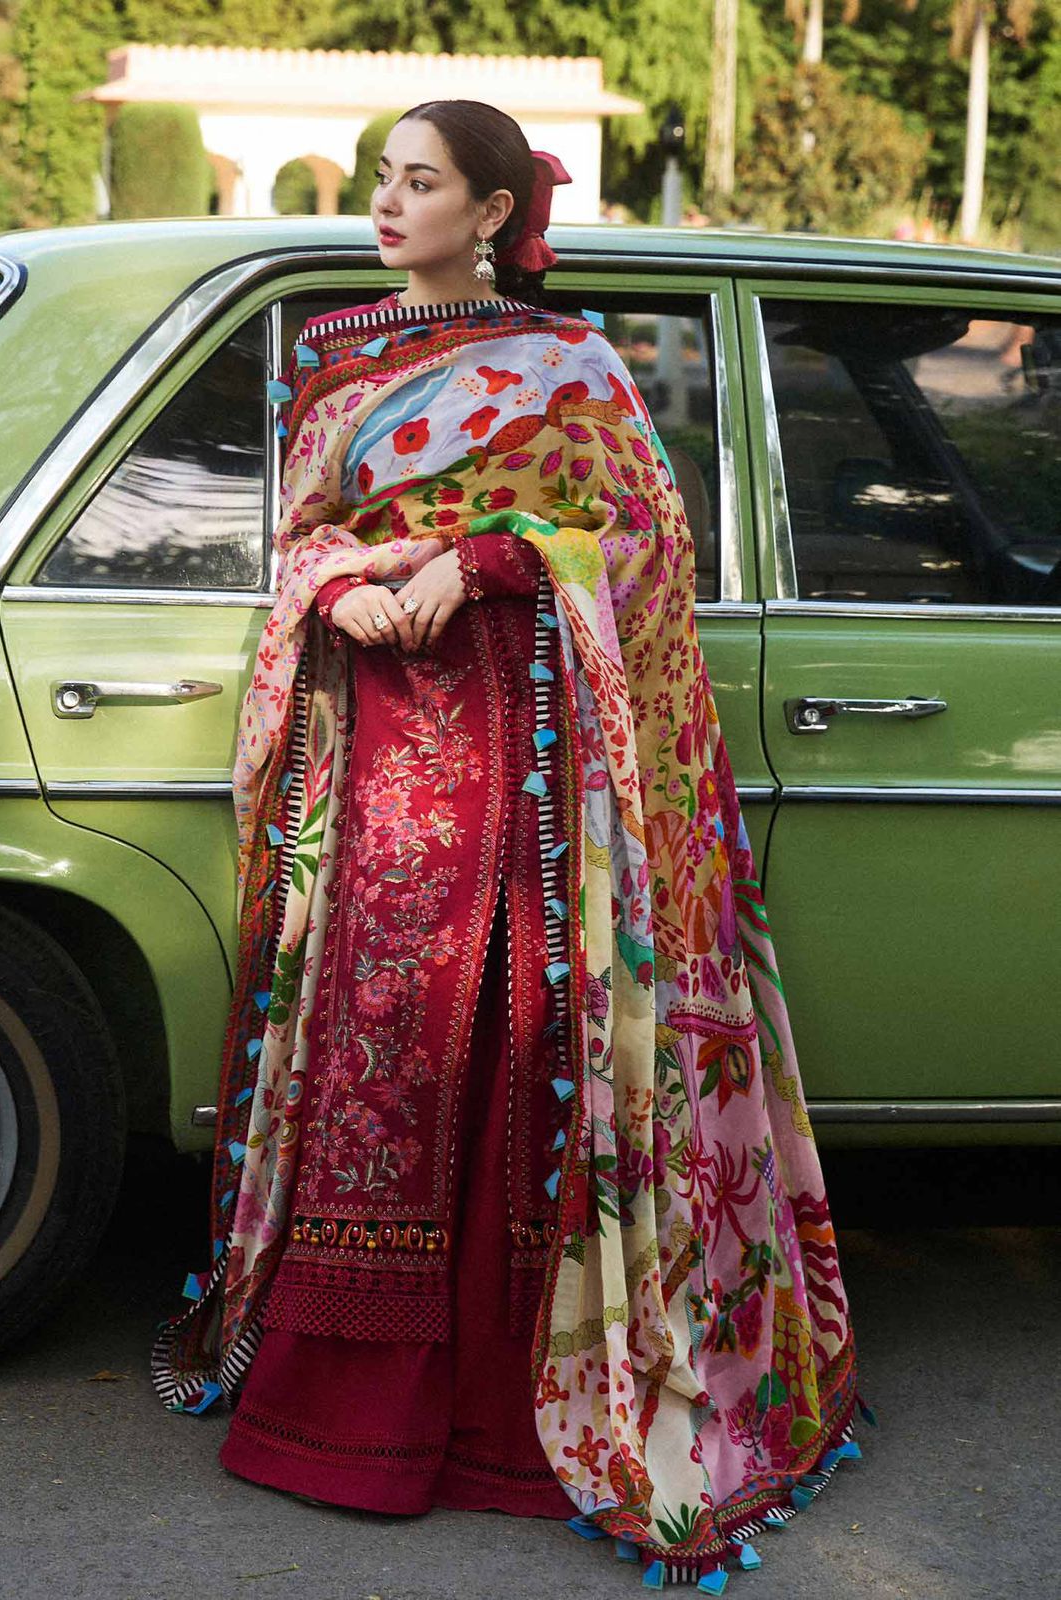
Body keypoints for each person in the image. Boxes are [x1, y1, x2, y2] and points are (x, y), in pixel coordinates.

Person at [153, 100, 872, 1588]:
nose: (386, 201)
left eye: (420, 181)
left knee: (520, 1053)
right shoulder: (333, 359)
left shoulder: (572, 369)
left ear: (491, 211)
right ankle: (341, 1408)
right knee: (379, 1062)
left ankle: (503, 1418)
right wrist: (338, 586)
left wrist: (483, 559)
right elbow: (298, 533)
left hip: (530, 776)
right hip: (373, 770)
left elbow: (640, 538)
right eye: (382, 178)